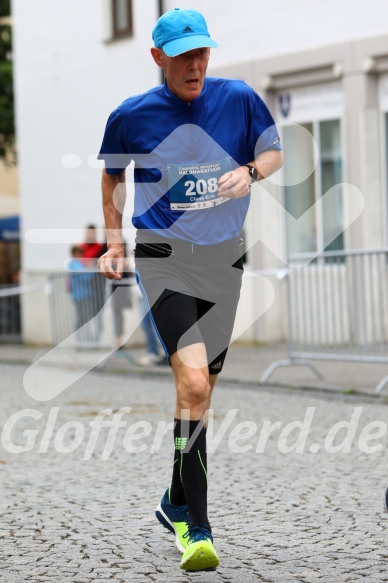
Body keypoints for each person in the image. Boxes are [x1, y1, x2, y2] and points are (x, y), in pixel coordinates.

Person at [98, 8, 283, 572]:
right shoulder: (131, 116)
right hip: (164, 256)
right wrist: (113, 240)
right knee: (195, 381)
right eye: (184, 56)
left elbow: (274, 153)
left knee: (199, 395)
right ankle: (196, 528)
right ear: (159, 58)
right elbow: (111, 174)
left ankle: (172, 498)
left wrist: (250, 173)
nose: (196, 64)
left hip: (225, 258)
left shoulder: (240, 97)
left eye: (203, 53)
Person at [68, 245, 96, 344]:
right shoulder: (75, 265)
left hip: (82, 295)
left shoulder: (76, 264)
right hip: (81, 296)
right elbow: (86, 277)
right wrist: (90, 269)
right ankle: (82, 341)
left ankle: (85, 340)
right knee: (82, 318)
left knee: (84, 318)